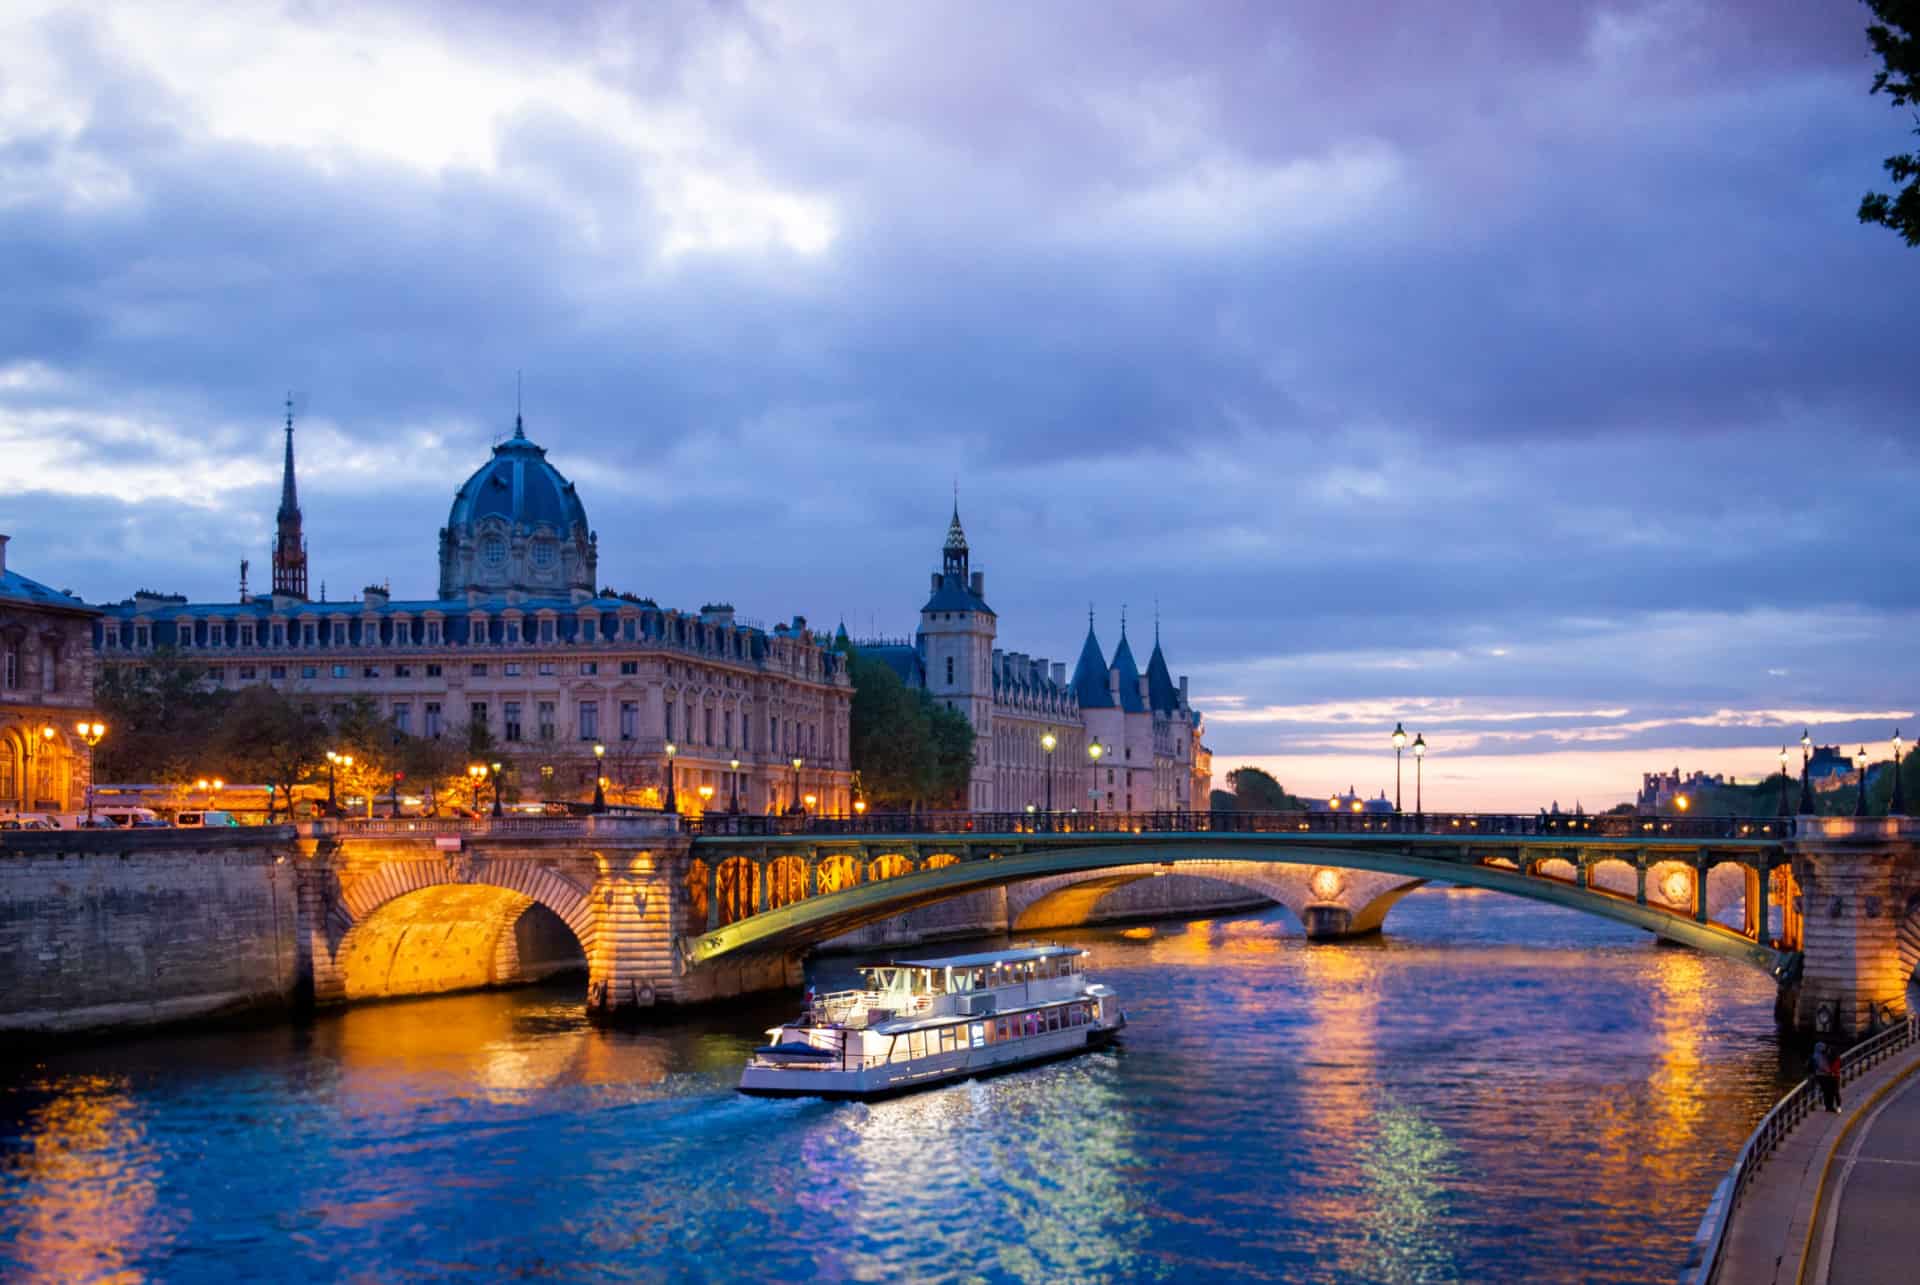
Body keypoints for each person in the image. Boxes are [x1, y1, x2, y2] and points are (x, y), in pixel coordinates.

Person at [1812, 1042, 1841, 1112]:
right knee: (1828, 1091)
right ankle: (1829, 1106)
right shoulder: (1818, 1056)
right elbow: (1821, 1066)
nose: (1824, 1049)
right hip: (1823, 1075)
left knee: (1828, 1091)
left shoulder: (1821, 1055)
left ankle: (1828, 1106)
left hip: (1826, 1075)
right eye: (1823, 1048)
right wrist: (1828, 1071)